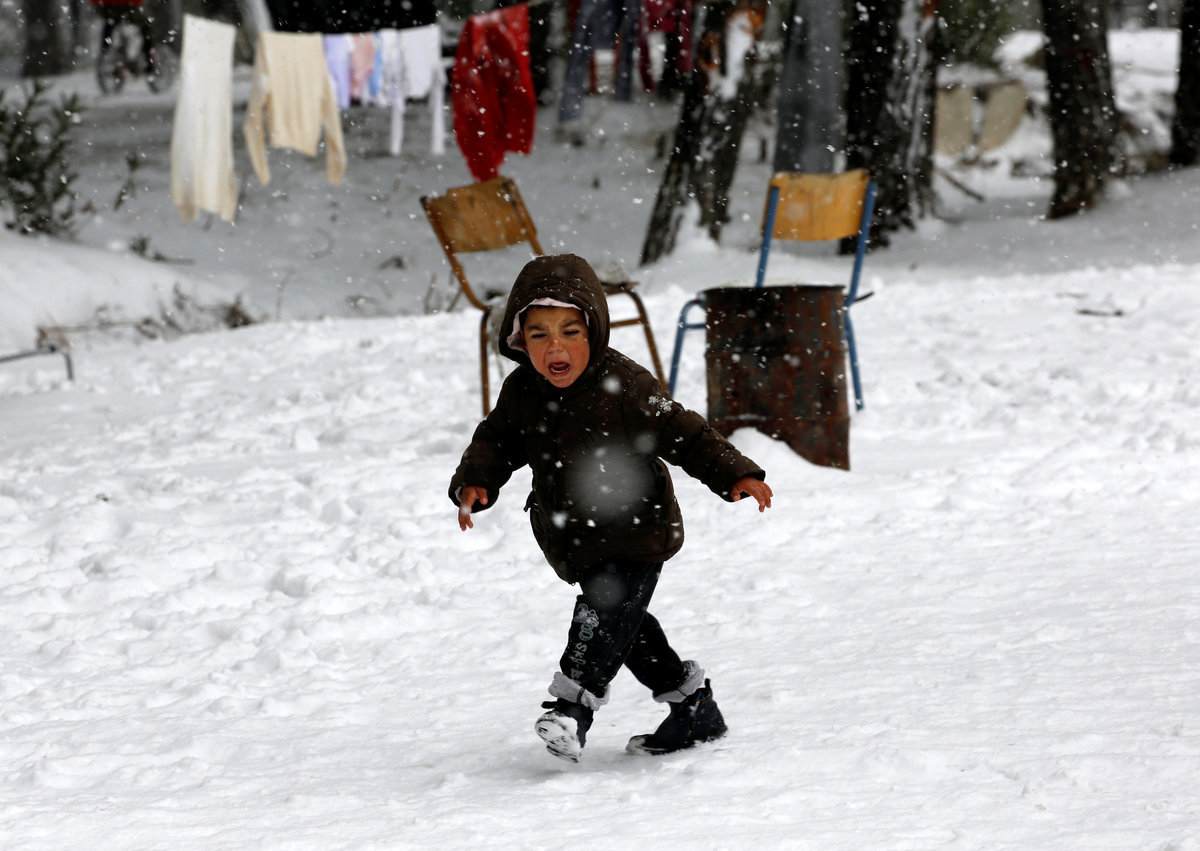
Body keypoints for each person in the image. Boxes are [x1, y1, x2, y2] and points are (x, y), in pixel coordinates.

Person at [449, 254, 773, 763]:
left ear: (594, 332)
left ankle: (570, 708)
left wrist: (735, 472)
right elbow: (495, 442)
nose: (555, 347)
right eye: (538, 335)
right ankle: (693, 709)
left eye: (570, 331)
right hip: (576, 536)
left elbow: (682, 431)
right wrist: (475, 482)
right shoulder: (522, 393)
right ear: (518, 341)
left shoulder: (624, 384)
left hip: (637, 529)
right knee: (627, 626)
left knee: (601, 615)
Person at [91, 0, 155, 74]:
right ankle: (149, 62)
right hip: (125, 7)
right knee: (145, 28)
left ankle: (105, 51)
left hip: (106, 8)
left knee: (110, 26)